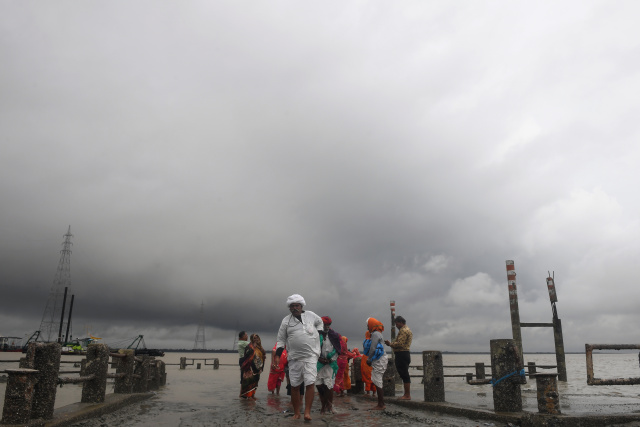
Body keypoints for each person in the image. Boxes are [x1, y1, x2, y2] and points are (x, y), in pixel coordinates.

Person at [274, 294, 324, 421]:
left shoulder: (311, 315)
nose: (295, 308)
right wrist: (277, 357)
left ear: (302, 306)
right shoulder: (285, 321)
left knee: (310, 383)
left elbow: (320, 322)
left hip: (311, 356)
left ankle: (307, 412)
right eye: (292, 306)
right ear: (289, 308)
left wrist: (319, 334)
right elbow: (280, 340)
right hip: (294, 358)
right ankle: (297, 413)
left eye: (297, 305)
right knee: (294, 386)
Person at [384, 315, 413, 400]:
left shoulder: (404, 330)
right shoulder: (407, 329)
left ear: (401, 322)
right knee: (404, 373)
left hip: (402, 354)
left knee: (404, 374)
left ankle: (407, 395)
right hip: (405, 353)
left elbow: (400, 343)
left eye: (397, 324)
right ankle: (406, 394)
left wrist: (390, 344)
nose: (396, 326)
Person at [316, 316, 340, 414]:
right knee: (319, 385)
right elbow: (313, 349)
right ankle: (324, 404)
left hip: (330, 364)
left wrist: (330, 360)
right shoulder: (316, 335)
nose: (326, 326)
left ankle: (328, 406)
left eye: (327, 324)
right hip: (318, 364)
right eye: (324, 324)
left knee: (328, 385)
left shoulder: (334, 335)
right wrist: (319, 359)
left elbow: (338, 350)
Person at [364, 317, 388, 410]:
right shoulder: (379, 333)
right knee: (378, 380)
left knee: (378, 381)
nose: (367, 327)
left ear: (371, 325)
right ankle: (381, 403)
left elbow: (373, 348)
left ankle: (381, 404)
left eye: (368, 325)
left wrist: (369, 359)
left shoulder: (375, 334)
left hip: (379, 359)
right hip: (382, 358)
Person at [240, 334, 265, 400]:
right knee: (249, 382)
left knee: (255, 382)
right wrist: (253, 348)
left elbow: (263, 358)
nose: (256, 339)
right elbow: (246, 356)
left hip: (258, 368)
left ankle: (253, 396)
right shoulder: (249, 346)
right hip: (250, 367)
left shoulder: (260, 348)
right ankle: (248, 397)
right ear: (251, 339)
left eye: (257, 338)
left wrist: (262, 368)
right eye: (254, 338)